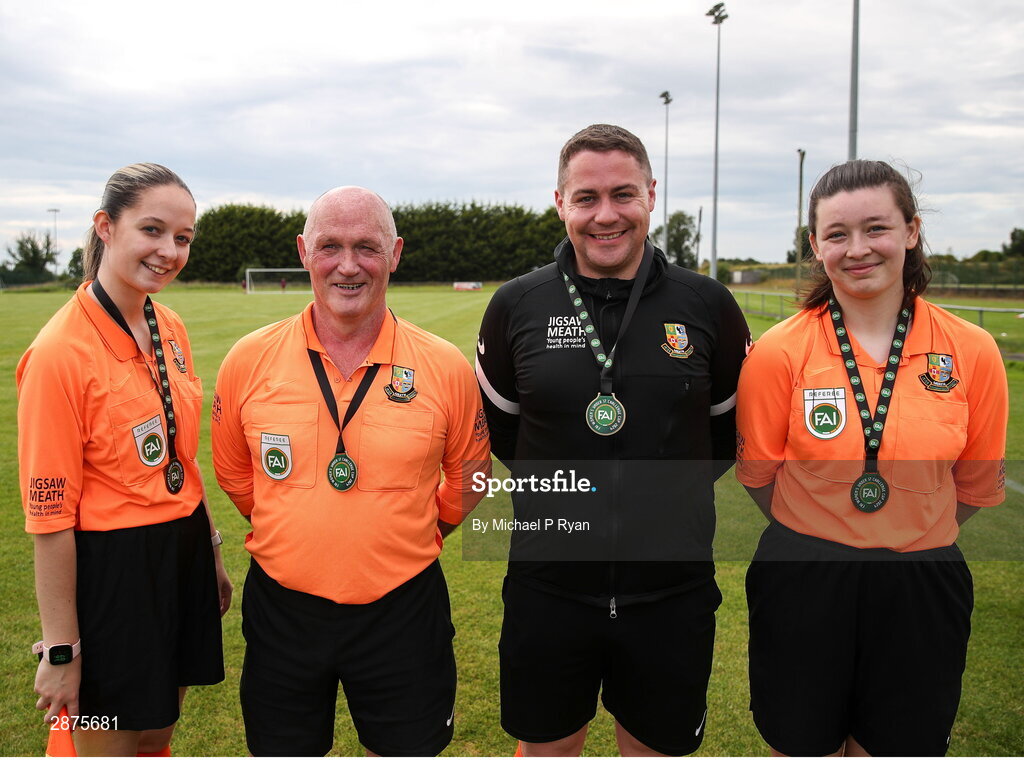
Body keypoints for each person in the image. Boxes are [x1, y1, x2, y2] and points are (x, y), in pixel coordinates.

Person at [476, 124, 750, 756]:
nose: (606, 215)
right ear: (560, 202)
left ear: (652, 195)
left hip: (671, 591)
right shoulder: (517, 305)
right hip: (548, 587)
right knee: (545, 748)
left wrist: (655, 494)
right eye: (586, 198)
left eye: (623, 195)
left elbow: (722, 434)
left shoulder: (707, 304)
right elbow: (507, 431)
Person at [735, 160, 1008, 757]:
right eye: (837, 234)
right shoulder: (779, 352)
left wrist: (909, 534)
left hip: (922, 580)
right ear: (815, 246)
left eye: (876, 229)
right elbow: (760, 477)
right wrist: (825, 536)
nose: (857, 249)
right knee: (802, 744)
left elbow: (975, 483)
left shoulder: (972, 350)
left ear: (911, 231)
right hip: (804, 575)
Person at [211, 186, 491, 757]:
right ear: (303, 251)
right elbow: (237, 474)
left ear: (395, 254)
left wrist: (415, 533)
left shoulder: (444, 366)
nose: (347, 265)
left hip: (403, 610)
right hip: (283, 609)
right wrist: (294, 528)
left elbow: (472, 477)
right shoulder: (248, 358)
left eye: (367, 247)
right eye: (329, 246)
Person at [17, 163, 231, 757]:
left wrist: (210, 547)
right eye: (153, 230)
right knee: (104, 741)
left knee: (158, 728)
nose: (169, 251)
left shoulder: (172, 326)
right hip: (113, 569)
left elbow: (181, 457)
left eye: (183, 238)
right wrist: (64, 652)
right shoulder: (59, 354)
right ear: (105, 227)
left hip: (182, 547)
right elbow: (49, 517)